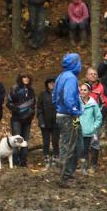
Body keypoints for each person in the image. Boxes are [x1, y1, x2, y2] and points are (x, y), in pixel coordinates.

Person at [53, 53, 83, 186]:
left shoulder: (61, 76)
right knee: (69, 145)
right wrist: (75, 110)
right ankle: (65, 177)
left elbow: (54, 97)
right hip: (69, 116)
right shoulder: (71, 78)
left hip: (63, 115)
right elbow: (68, 97)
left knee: (76, 143)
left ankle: (68, 173)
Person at [6, 74, 36, 167]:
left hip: (28, 119)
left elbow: (33, 103)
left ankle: (23, 161)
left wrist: (31, 113)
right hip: (16, 119)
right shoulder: (15, 89)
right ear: (20, 79)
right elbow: (8, 103)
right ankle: (15, 161)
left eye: (27, 77)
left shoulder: (31, 90)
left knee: (25, 140)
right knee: (16, 140)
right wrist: (17, 110)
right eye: (24, 77)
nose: (26, 79)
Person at [77, 82, 103, 174]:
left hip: (89, 131)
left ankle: (84, 168)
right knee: (79, 149)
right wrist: (76, 127)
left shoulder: (93, 104)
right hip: (78, 131)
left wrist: (94, 127)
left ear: (89, 92)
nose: (83, 92)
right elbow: (74, 116)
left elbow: (98, 117)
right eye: (81, 90)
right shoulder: (76, 102)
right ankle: (79, 166)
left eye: (85, 90)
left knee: (85, 149)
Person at [37, 78, 58, 166]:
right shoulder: (42, 94)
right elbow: (39, 109)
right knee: (46, 141)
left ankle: (56, 157)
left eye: (53, 83)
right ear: (47, 84)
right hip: (45, 122)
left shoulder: (59, 94)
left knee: (55, 141)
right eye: (50, 83)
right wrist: (41, 121)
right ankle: (46, 157)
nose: (52, 84)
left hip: (56, 122)